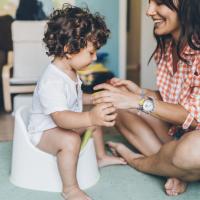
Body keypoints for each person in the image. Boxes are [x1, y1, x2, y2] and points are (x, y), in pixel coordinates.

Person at [93, 0, 200, 196]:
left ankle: (137, 161)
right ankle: (174, 169)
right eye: (149, 3)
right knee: (113, 103)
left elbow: (194, 115)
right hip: (178, 132)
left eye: (159, 3)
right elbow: (177, 98)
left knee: (192, 150)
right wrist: (140, 93)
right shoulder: (168, 44)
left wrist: (138, 102)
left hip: (195, 139)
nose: (149, 11)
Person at [28, 4, 126, 200]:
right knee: (71, 139)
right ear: (69, 50)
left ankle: (100, 157)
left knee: (93, 124)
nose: (95, 57)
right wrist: (89, 116)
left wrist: (93, 99)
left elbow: (73, 99)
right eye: (91, 52)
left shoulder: (71, 71)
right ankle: (70, 188)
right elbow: (61, 118)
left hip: (61, 124)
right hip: (44, 131)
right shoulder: (52, 80)